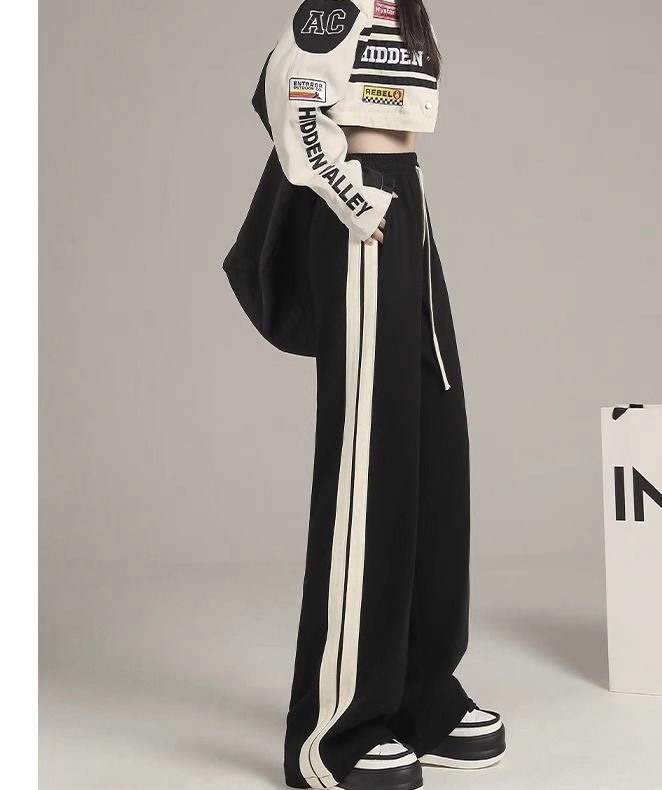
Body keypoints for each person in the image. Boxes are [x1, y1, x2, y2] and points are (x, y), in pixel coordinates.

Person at [223, 2, 506, 788]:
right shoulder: (333, 8)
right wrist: (350, 196)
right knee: (371, 461)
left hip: (406, 200)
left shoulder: (403, 9)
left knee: (433, 445)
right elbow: (289, 97)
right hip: (363, 212)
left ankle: (419, 696)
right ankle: (336, 730)